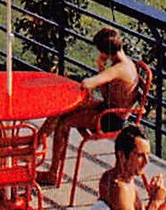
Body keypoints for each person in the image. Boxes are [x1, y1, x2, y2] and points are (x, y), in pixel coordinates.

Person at [41, 26, 151, 187]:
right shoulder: (126, 63)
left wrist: (101, 67)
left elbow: (87, 84)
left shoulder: (118, 69)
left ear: (105, 52)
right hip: (108, 108)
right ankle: (37, 143)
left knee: (64, 123)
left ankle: (51, 172)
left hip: (111, 119)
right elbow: (107, 95)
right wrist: (101, 67)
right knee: (61, 110)